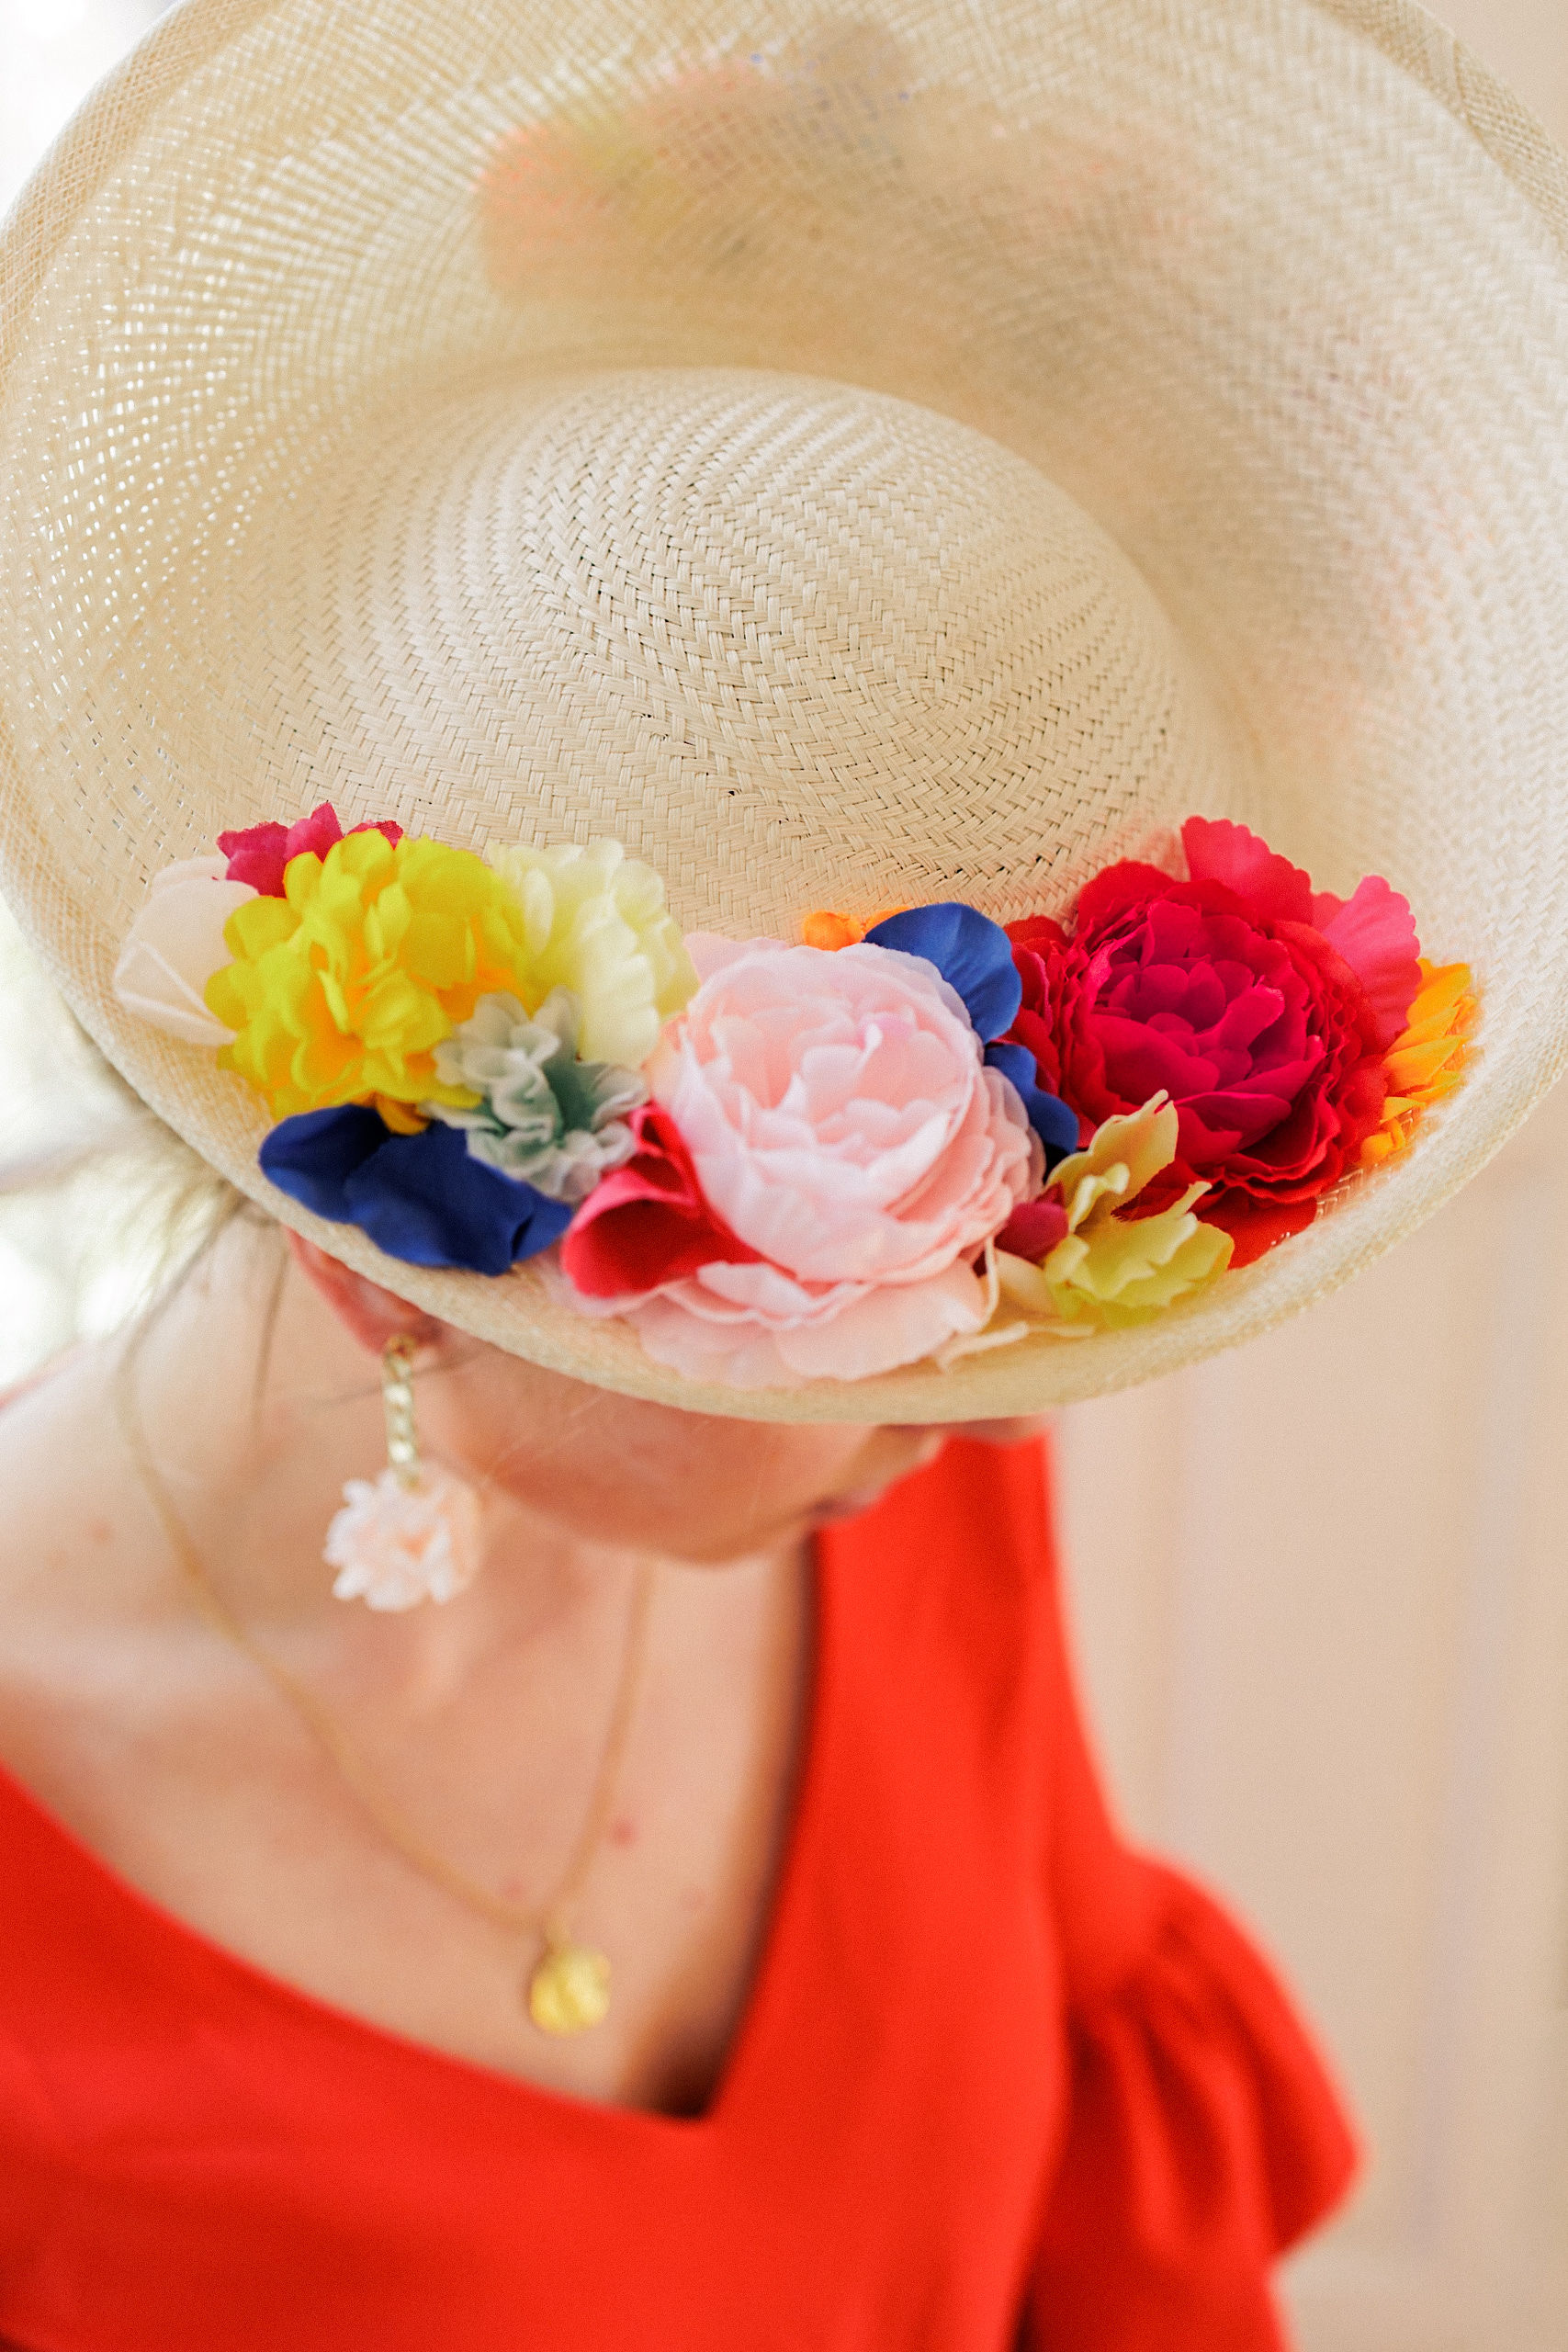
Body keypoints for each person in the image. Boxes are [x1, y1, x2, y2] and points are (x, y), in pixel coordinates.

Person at [0, 1156, 1355, 2345]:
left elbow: (1101, 2226)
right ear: (389, 1261)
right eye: (844, 1261)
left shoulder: (914, 1467)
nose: (1010, 1409)